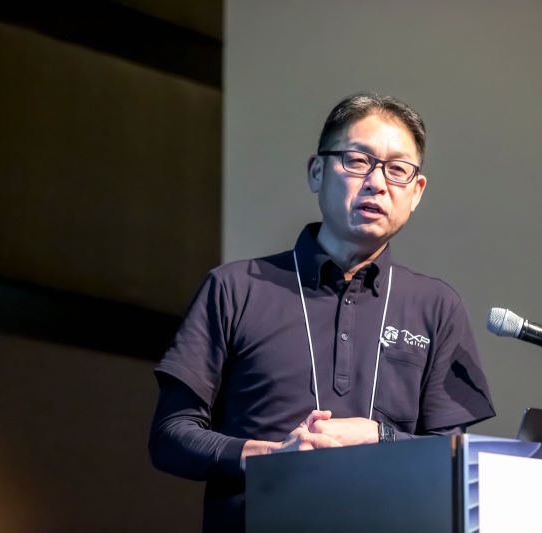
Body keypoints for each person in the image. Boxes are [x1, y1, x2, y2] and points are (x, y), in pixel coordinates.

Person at [149, 93, 495, 531]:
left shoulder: (436, 306)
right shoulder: (235, 287)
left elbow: (456, 458)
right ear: (317, 171)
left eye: (398, 170)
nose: (377, 182)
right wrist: (271, 457)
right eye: (358, 161)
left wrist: (380, 437)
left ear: (417, 192)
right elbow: (171, 435)